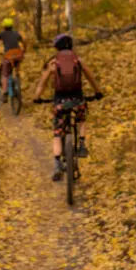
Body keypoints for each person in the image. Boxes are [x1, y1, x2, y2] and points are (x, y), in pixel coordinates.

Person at [33, 34, 104, 181]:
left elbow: (43, 83)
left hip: (60, 101)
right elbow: (91, 77)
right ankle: (82, 143)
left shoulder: (53, 63)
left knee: (58, 133)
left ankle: (58, 162)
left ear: (57, 48)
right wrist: (98, 92)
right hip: (78, 99)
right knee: (82, 119)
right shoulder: (78, 61)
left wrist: (37, 98)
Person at [0, 18, 25, 97]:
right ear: (12, 26)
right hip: (18, 54)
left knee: (5, 74)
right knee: (17, 67)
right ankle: (17, 83)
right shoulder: (16, 33)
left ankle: (5, 92)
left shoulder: (2, 34)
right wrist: (24, 50)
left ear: (3, 26)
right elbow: (24, 43)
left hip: (8, 55)